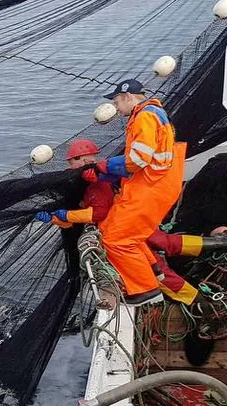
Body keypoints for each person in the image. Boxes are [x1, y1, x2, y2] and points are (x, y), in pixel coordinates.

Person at [36, 138, 217, 306]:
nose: (83, 164)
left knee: (158, 270)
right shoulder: (82, 182)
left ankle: (200, 304)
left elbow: (99, 213)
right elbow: (75, 225)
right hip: (132, 221)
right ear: (70, 162)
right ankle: (218, 244)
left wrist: (66, 215)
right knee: (166, 242)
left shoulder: (95, 184)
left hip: (122, 228)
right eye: (78, 160)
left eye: (87, 160)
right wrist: (55, 218)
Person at [95, 79, 186, 305]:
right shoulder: (155, 113)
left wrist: (106, 167)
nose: (116, 108)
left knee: (115, 239)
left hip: (150, 188)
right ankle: (154, 270)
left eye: (117, 102)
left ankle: (145, 289)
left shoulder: (145, 116)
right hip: (156, 185)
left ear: (127, 96)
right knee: (115, 230)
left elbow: (138, 159)